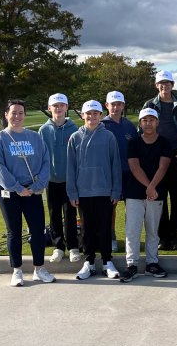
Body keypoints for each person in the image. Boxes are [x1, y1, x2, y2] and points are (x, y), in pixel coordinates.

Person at [0, 99, 54, 287]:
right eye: (13, 112)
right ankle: (17, 270)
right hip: (9, 191)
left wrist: (36, 186)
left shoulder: (35, 138)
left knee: (38, 230)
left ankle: (39, 269)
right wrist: (17, 188)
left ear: (25, 115)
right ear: (6, 115)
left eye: (21, 113)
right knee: (14, 231)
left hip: (33, 190)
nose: (17, 116)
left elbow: (45, 163)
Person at [67, 100, 122, 280]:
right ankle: (89, 262)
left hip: (105, 190)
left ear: (100, 115)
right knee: (86, 229)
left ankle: (107, 261)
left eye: (95, 114)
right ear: (82, 115)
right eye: (88, 114)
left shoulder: (108, 137)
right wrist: (72, 192)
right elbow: (71, 167)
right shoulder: (75, 137)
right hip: (83, 191)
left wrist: (116, 191)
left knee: (105, 227)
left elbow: (115, 165)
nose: (92, 117)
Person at [144, 70, 177, 251]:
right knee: (159, 198)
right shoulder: (150, 104)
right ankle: (162, 236)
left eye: (168, 83)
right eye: (161, 83)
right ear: (156, 85)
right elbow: (143, 129)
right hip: (157, 157)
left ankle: (176, 235)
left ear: (172, 85)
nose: (164, 86)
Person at [120, 108, 172, 282]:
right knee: (132, 230)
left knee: (153, 231)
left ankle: (151, 263)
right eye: (145, 120)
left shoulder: (164, 143)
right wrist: (148, 186)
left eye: (151, 120)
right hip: (134, 193)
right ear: (140, 123)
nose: (148, 123)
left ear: (157, 122)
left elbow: (163, 166)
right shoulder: (133, 143)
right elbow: (134, 167)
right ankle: (132, 264)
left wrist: (152, 187)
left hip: (156, 192)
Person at [39, 93, 81, 264]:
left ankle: (73, 247)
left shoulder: (74, 128)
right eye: (55, 106)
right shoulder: (43, 130)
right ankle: (58, 246)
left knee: (70, 214)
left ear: (66, 107)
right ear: (50, 108)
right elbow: (41, 156)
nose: (58, 108)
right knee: (54, 214)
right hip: (51, 180)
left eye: (61, 105)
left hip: (70, 180)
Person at [101, 90, 139, 253]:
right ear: (107, 105)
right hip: (110, 175)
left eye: (119, 104)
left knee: (131, 208)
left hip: (129, 173)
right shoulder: (102, 125)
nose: (116, 107)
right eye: (113, 104)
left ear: (123, 106)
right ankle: (111, 238)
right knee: (111, 208)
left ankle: (131, 239)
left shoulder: (129, 125)